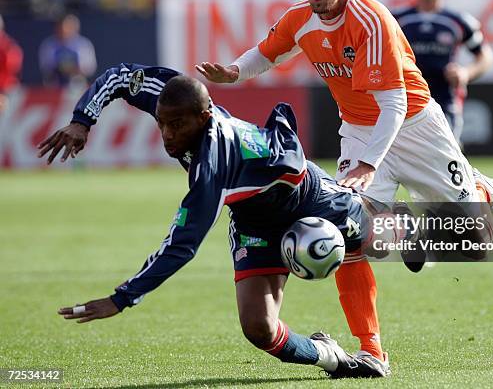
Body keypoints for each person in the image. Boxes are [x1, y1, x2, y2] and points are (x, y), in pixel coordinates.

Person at [196, 0, 493, 364]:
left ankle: (480, 189)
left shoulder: (371, 20)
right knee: (349, 237)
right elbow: (268, 52)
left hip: (415, 126)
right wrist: (235, 71)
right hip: (360, 131)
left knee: (476, 244)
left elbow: (395, 105)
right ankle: (372, 349)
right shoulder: (299, 19)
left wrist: (369, 165)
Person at [37, 64, 388, 379]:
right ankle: (333, 359)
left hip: (305, 195)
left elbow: (182, 245)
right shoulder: (170, 94)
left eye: (177, 125)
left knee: (380, 236)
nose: (167, 134)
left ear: (204, 118)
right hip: (255, 221)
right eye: (161, 123)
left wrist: (123, 298)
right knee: (258, 328)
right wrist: (83, 120)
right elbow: (119, 76)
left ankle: (410, 231)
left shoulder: (212, 167)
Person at [393, 0, 493, 140]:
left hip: (445, 101)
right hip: (404, 102)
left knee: (445, 162)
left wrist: (466, 73)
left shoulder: (458, 22)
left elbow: (485, 56)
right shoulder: (396, 20)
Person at [38, 13, 97, 87]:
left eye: (68, 27)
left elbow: (89, 68)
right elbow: (46, 67)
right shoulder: (49, 45)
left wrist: (73, 69)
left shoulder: (83, 44)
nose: (64, 30)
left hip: (77, 84)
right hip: (55, 85)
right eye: (61, 27)